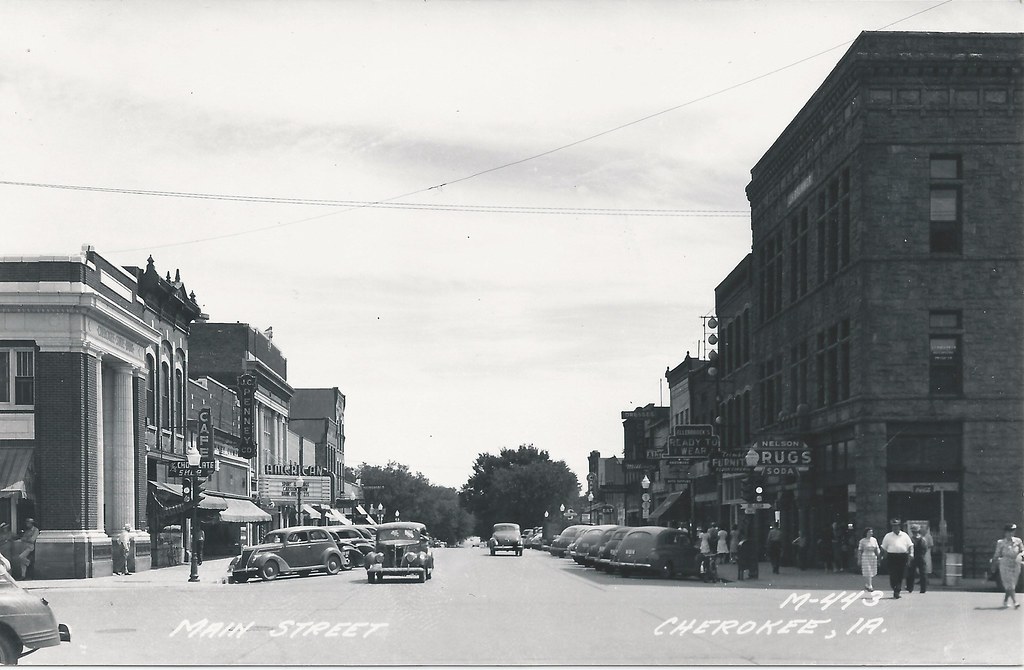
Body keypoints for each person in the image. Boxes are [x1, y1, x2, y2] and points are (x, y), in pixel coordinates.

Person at [992, 523, 1023, 609]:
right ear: (1005, 533)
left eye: (1012, 531)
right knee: (1010, 584)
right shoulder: (1001, 542)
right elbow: (997, 554)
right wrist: (994, 562)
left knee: (1012, 584)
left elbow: (1022, 550)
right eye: (1009, 531)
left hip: (1015, 564)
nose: (1011, 533)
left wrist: (1020, 556)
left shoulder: (1018, 541)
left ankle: (1005, 601)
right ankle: (1015, 602)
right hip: (1005, 565)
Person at [880, 518, 913, 599]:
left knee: (900, 574)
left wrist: (911, 553)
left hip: (902, 556)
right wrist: (881, 556)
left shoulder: (905, 535)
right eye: (894, 526)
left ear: (899, 527)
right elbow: (883, 547)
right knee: (893, 574)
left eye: (897, 526)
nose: (895, 528)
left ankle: (897, 590)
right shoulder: (888, 536)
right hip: (892, 557)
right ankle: (894, 586)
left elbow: (910, 545)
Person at [906, 525, 928, 594]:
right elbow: (925, 549)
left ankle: (910, 587)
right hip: (921, 557)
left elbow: (908, 549)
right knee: (923, 573)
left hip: (913, 557)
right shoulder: (923, 539)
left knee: (911, 573)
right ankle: (923, 589)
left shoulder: (910, 539)